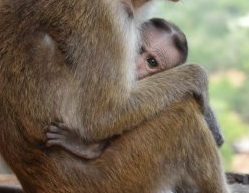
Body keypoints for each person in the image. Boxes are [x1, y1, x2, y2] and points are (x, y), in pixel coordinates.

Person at [45, 18, 225, 159]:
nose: (135, 63)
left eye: (152, 62)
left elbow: (215, 138)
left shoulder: (159, 98)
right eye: (139, 48)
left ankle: (94, 145)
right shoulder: (105, 56)